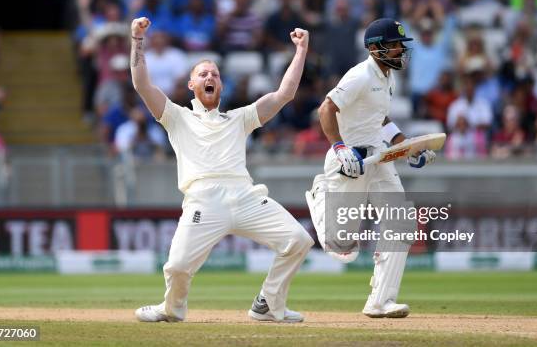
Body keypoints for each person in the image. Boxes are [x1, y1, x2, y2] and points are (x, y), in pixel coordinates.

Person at [129, 17, 313, 323]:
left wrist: (301, 50)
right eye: (202, 74)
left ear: (221, 85)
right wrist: (136, 40)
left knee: (298, 239)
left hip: (245, 197)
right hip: (203, 200)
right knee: (176, 267)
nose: (209, 76)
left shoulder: (239, 117)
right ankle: (172, 309)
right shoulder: (176, 116)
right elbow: (141, 84)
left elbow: (284, 94)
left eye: (214, 73)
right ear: (191, 85)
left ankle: (267, 304)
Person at [306, 18, 436, 319]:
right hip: (349, 161)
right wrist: (339, 148)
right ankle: (319, 194)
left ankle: (380, 301)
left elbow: (380, 119)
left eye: (402, 46)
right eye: (395, 46)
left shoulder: (388, 76)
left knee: (401, 222)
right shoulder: (360, 75)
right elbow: (326, 108)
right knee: (341, 245)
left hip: (378, 156)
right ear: (376, 48)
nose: (401, 51)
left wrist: (408, 148)